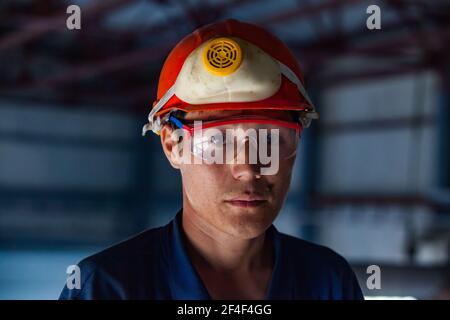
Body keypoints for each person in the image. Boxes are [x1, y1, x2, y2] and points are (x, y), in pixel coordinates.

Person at [59, 19, 363, 300]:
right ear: (171, 145)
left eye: (269, 139)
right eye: (216, 141)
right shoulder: (106, 289)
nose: (247, 168)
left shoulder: (329, 283)